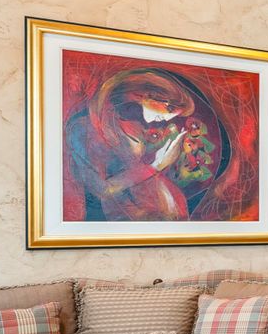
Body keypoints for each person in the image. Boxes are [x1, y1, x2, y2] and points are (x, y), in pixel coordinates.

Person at [64, 67, 196, 221]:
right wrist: (157, 165)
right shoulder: (83, 128)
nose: (169, 118)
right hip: (123, 219)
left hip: (162, 216)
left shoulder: (133, 122)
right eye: (169, 108)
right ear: (147, 94)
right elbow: (101, 189)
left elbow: (137, 167)